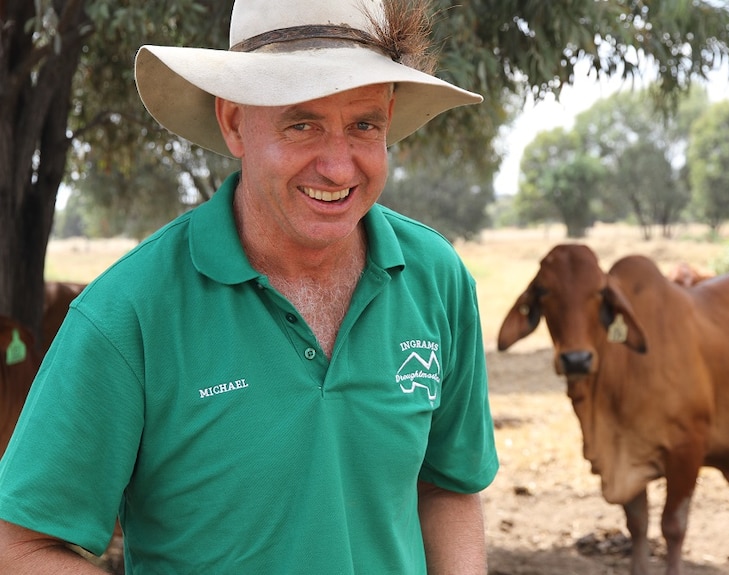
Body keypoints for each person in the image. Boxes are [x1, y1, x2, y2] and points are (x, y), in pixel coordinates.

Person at [0, 0, 499, 572]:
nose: (339, 167)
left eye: (364, 125)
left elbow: (449, 487)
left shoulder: (436, 278)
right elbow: (20, 546)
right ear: (234, 122)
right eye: (302, 124)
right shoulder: (129, 311)